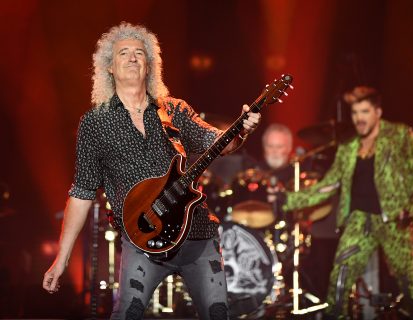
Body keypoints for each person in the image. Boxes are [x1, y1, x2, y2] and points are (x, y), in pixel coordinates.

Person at [42, 22, 260, 320]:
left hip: (196, 235)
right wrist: (62, 258)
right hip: (142, 241)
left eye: (139, 53)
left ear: (149, 64)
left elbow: (217, 143)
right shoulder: (94, 123)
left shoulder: (173, 110)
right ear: (108, 66)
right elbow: (81, 192)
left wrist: (241, 131)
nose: (132, 57)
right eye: (123, 53)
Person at [283, 86, 413, 319]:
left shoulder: (400, 135)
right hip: (359, 221)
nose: (359, 118)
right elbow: (328, 185)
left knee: (412, 289)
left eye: (364, 111)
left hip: (395, 220)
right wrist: (286, 201)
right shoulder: (348, 147)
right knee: (339, 280)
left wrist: (412, 209)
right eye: (355, 113)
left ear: (378, 112)